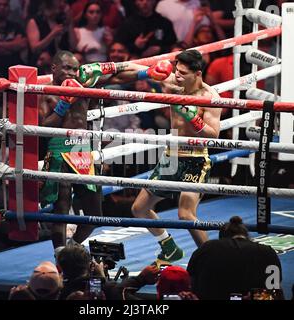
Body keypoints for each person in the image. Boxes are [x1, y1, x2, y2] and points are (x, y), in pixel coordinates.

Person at [78, 50, 222, 263]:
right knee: (139, 208)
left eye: (183, 72)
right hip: (171, 156)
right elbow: (136, 69)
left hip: (195, 159)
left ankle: (213, 260)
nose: (178, 75)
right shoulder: (173, 82)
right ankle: (169, 247)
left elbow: (213, 134)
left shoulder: (210, 97)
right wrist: (106, 67)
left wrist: (191, 117)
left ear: (197, 73)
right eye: (176, 70)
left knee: (186, 215)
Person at [40, 50, 103, 248]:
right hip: (59, 147)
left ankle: (71, 249)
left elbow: (113, 75)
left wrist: (145, 74)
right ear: (54, 68)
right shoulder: (45, 92)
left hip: (81, 147)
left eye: (75, 69)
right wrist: (63, 105)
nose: (72, 73)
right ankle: (60, 259)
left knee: (95, 215)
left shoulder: (83, 86)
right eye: (67, 68)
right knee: (61, 211)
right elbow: (43, 128)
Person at [187, 216, 283, 300]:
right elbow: (274, 292)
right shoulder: (268, 252)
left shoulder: (207, 247)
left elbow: (189, 284)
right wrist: (257, 296)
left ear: (222, 238)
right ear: (246, 235)